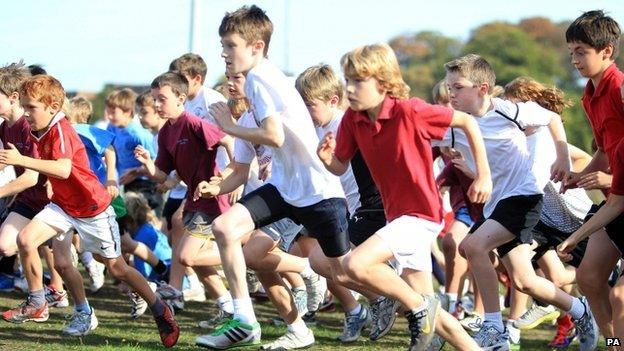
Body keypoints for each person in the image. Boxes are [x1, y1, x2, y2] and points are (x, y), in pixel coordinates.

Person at [194, 5, 347, 349]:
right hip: (284, 190)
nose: (225, 54)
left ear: (256, 47)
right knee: (226, 229)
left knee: (345, 272)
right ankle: (252, 321)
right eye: (223, 46)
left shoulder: (261, 79)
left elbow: (274, 136)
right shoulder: (254, 100)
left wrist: (228, 127)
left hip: (317, 193)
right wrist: (215, 186)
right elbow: (240, 169)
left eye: (231, 45)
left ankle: (414, 302)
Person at [319, 43, 491, 350]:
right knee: (433, 316)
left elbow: (466, 121)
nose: (350, 89)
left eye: (358, 81)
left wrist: (483, 174)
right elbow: (339, 165)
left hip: (422, 215)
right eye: (348, 81)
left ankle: (417, 308)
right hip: (396, 217)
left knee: (354, 265)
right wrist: (325, 157)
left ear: (383, 83)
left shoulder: (409, 110)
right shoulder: (352, 119)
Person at [0, 75, 179, 347]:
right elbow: (51, 168)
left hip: (92, 209)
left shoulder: (60, 129)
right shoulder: (39, 129)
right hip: (63, 205)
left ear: (52, 105)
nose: (25, 113)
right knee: (27, 240)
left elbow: (63, 168)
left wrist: (21, 160)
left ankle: (159, 308)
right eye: (23, 106)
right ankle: (40, 302)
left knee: (117, 268)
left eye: (30, 107)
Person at [442, 54, 597, 350]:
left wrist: (563, 157)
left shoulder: (509, 111)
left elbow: (551, 117)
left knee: (471, 246)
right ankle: (581, 311)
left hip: (524, 198)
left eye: (458, 87)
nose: (451, 93)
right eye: (449, 87)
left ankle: (492, 325)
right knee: (525, 281)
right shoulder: (455, 126)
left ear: (483, 88)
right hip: (497, 205)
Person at [557, 9, 624, 346]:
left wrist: (609, 181)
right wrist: (580, 176)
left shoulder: (621, 88)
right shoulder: (588, 94)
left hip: (619, 197)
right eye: (571, 52)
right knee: (589, 277)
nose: (575, 60)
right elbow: (604, 149)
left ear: (606, 52)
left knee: (621, 300)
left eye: (581, 51)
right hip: (618, 201)